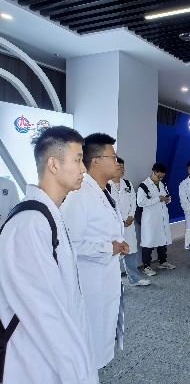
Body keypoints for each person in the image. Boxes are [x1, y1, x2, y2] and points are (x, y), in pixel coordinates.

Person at [0, 126, 98, 383]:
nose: (84, 168)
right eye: (78, 159)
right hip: (34, 364)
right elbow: (46, 315)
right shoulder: (30, 224)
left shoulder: (49, 215)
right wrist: (81, 375)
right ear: (53, 164)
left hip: (52, 361)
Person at [61, 132, 129, 369]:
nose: (117, 162)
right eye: (113, 157)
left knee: (101, 333)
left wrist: (118, 243)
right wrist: (108, 248)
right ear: (96, 161)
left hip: (106, 276)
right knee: (88, 339)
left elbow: (103, 230)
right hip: (89, 282)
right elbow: (70, 242)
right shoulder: (79, 195)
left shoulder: (103, 191)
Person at [108, 157, 151, 286]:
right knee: (113, 254)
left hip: (129, 223)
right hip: (114, 225)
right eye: (119, 166)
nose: (122, 169)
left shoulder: (127, 184)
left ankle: (134, 279)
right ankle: (114, 283)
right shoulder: (106, 185)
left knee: (130, 252)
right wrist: (122, 219)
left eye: (123, 166)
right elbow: (109, 206)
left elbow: (133, 201)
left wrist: (131, 216)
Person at [138, 162, 176, 276]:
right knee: (148, 242)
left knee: (162, 240)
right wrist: (158, 199)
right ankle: (146, 266)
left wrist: (168, 199)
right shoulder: (144, 186)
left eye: (162, 177)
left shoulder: (162, 184)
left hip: (162, 217)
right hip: (150, 219)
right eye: (158, 176)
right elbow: (140, 202)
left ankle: (162, 262)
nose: (160, 179)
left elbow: (167, 196)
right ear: (153, 172)